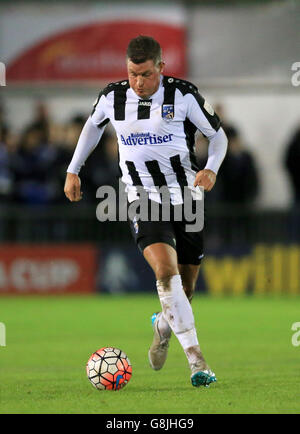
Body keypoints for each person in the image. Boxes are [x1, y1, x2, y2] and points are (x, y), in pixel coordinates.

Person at [64, 36, 227, 387]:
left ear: (161, 69)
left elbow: (218, 137)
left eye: (146, 74)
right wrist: (73, 169)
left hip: (187, 198)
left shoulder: (183, 95)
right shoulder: (112, 96)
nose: (138, 82)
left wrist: (211, 168)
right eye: (132, 74)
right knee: (165, 272)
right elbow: (93, 126)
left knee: (186, 288)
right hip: (141, 197)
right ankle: (197, 362)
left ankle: (162, 324)